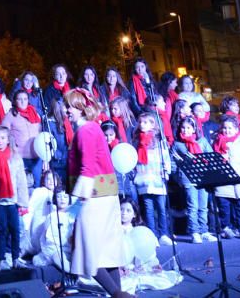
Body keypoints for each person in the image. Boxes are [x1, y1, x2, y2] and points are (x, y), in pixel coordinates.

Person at [64, 88, 131, 298]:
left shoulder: (86, 130)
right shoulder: (88, 129)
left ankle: (117, 294)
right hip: (100, 194)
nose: (66, 111)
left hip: (94, 197)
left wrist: (77, 204)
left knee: (89, 252)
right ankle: (117, 294)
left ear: (81, 108)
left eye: (69, 107)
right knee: (106, 252)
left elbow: (88, 166)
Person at [0, 125, 29, 271]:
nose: (0, 141)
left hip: (13, 200)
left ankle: (15, 258)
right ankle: (1, 259)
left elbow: (21, 181)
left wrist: (23, 202)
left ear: (8, 139)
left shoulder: (15, 157)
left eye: (3, 138)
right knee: (2, 230)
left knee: (15, 229)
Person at [172, 115, 215, 243]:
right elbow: (173, 162)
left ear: (194, 129)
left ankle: (204, 230)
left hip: (203, 177)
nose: (185, 130)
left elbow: (210, 156)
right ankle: (194, 231)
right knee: (193, 206)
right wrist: (178, 176)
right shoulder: (178, 144)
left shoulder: (202, 142)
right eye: (183, 127)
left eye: (188, 128)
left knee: (203, 206)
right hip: (187, 178)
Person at [213, 115, 240, 239]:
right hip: (223, 182)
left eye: (230, 128)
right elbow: (212, 161)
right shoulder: (217, 143)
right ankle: (226, 227)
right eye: (225, 128)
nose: (227, 131)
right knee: (224, 207)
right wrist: (221, 160)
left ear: (237, 129)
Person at [132, 110, 171, 244]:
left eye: (146, 122)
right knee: (148, 208)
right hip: (144, 177)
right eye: (141, 122)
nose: (143, 125)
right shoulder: (137, 140)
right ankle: (152, 235)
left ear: (153, 124)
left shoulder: (159, 140)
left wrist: (167, 171)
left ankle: (164, 233)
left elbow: (165, 156)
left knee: (161, 207)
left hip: (157, 177)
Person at [5, 89, 43, 188]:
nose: (23, 101)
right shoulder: (11, 115)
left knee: (36, 185)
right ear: (15, 101)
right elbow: (4, 132)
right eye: (20, 99)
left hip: (37, 156)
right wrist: (11, 140)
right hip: (21, 157)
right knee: (22, 187)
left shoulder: (35, 114)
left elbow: (41, 133)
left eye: (25, 99)